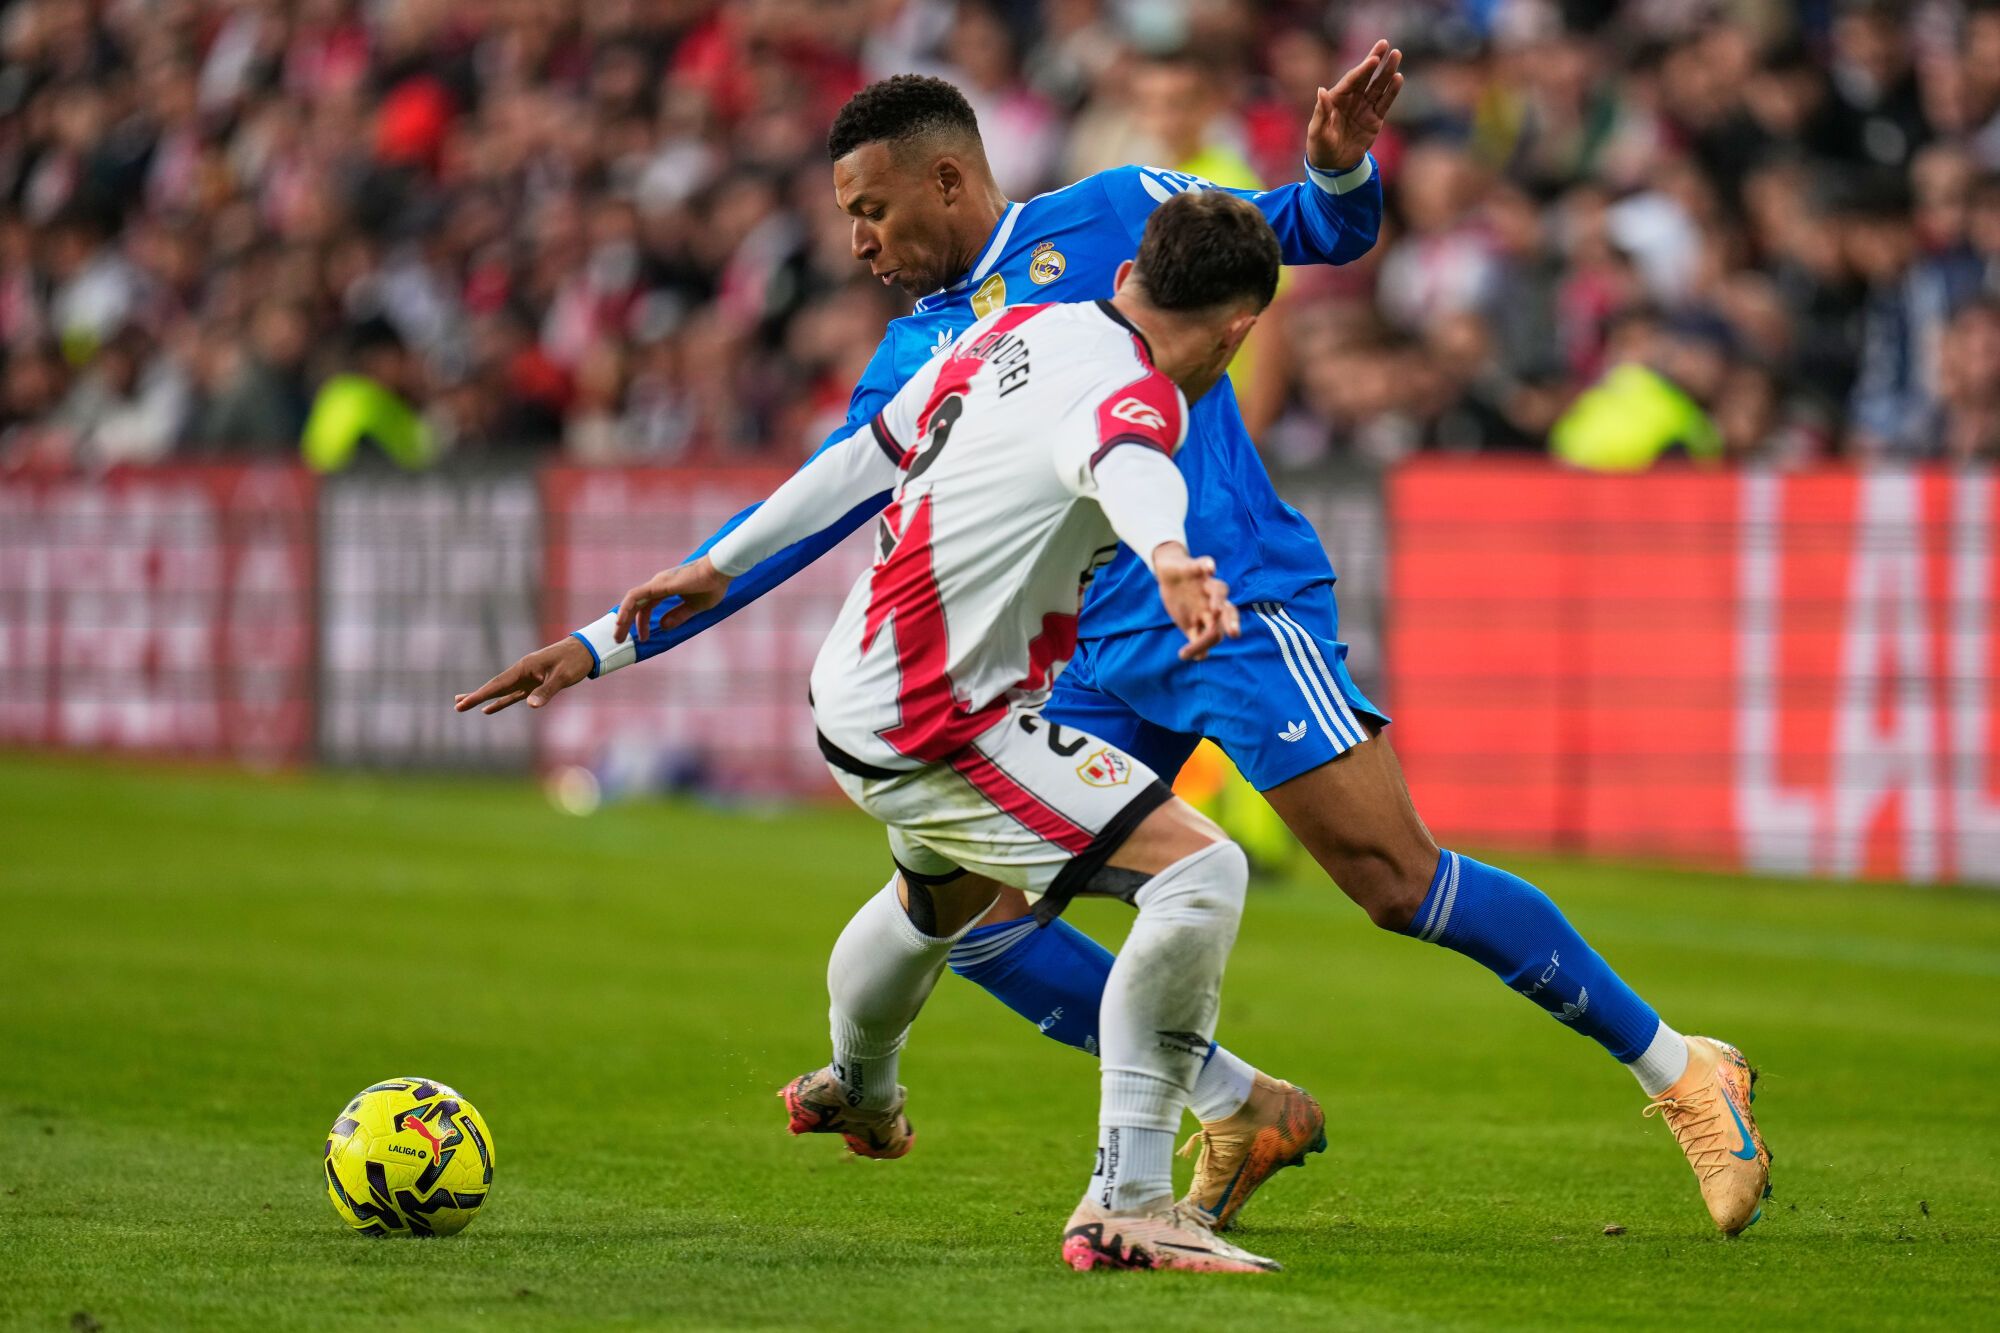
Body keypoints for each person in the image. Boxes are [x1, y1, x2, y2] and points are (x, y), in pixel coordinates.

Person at [459, 54, 1774, 1238]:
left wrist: (1334, 164)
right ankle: (1223, 1103)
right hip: (1096, 646)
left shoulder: (1109, 216)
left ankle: (1682, 1070)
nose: (856, 241)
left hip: (1234, 602)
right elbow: (810, 507)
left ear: (948, 178)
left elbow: (1310, 236)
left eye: (871, 209)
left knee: (1390, 877)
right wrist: (604, 641)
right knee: (975, 909)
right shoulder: (919, 348)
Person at [485, 193, 1288, 1273]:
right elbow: (1124, 457)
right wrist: (1167, 553)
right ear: (1235, 330)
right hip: (938, 724)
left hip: (857, 689)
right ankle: (1127, 1200)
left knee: (934, 901)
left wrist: (719, 561)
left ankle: (857, 1087)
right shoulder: (1140, 393)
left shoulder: (1019, 325)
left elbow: (866, 452)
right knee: (1201, 874)